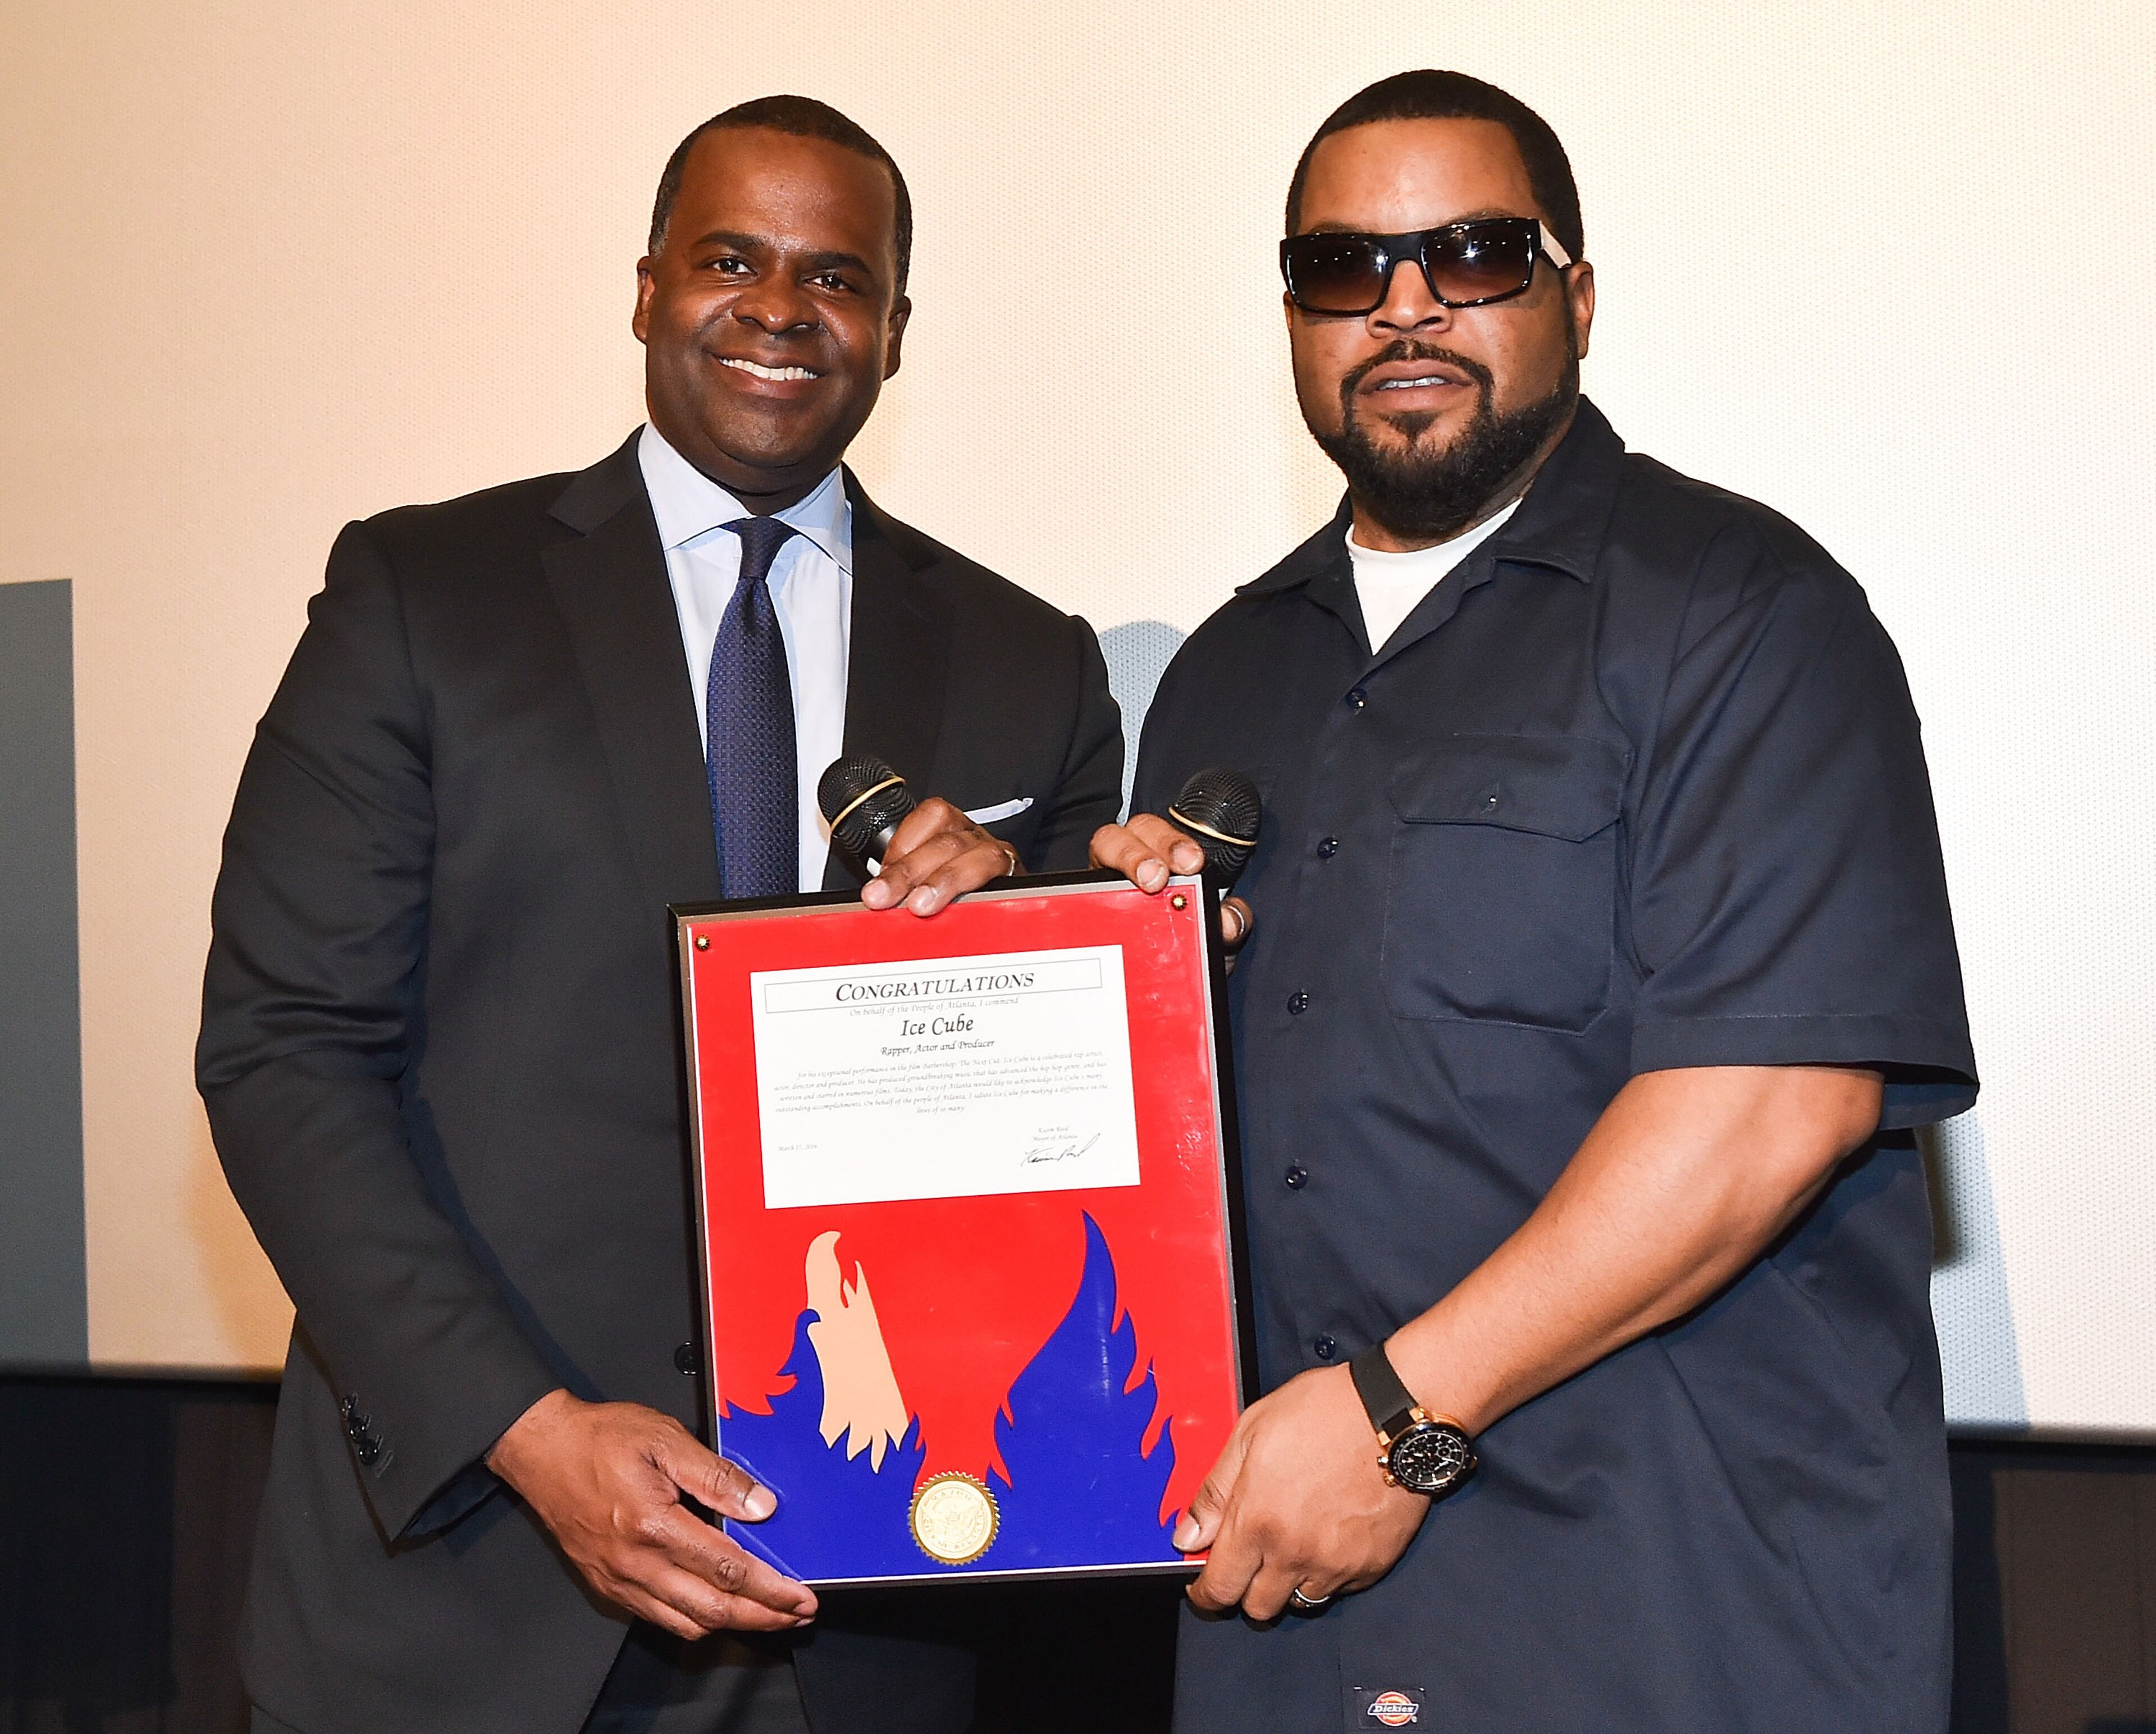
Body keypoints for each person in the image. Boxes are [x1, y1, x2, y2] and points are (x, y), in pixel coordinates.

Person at [198, 97, 1123, 1734]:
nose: (781, 308)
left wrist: (1028, 956)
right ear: (646, 290)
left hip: (869, 1610)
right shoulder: (424, 595)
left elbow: (1061, 1165)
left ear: (896, 328)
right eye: (730, 260)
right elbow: (285, 1054)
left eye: (837, 276)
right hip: (469, 1585)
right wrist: (532, 1431)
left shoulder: (1030, 661)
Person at [1093, 70, 1978, 1733]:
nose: (1405, 306)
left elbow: (1772, 1105)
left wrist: (1396, 1418)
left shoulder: (1745, 613)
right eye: (1345, 268)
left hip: (1671, 1619)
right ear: (1293, 319)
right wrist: (1077, 975)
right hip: (1283, 1613)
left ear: (1576, 294)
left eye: (1474, 254)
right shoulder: (1225, 674)